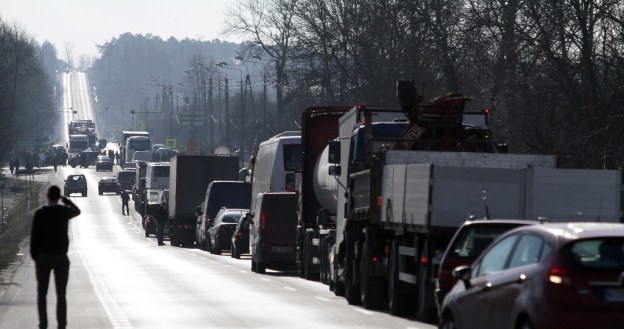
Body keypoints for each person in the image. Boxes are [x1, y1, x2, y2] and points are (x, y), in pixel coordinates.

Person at [30, 186, 80, 329]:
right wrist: (67, 201)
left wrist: (36, 256)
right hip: (60, 257)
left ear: (47, 196)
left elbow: (34, 237)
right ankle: (61, 325)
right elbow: (77, 211)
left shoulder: (40, 213)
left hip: (43, 256)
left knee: (42, 294)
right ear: (59, 197)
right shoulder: (64, 211)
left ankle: (43, 324)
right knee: (61, 294)